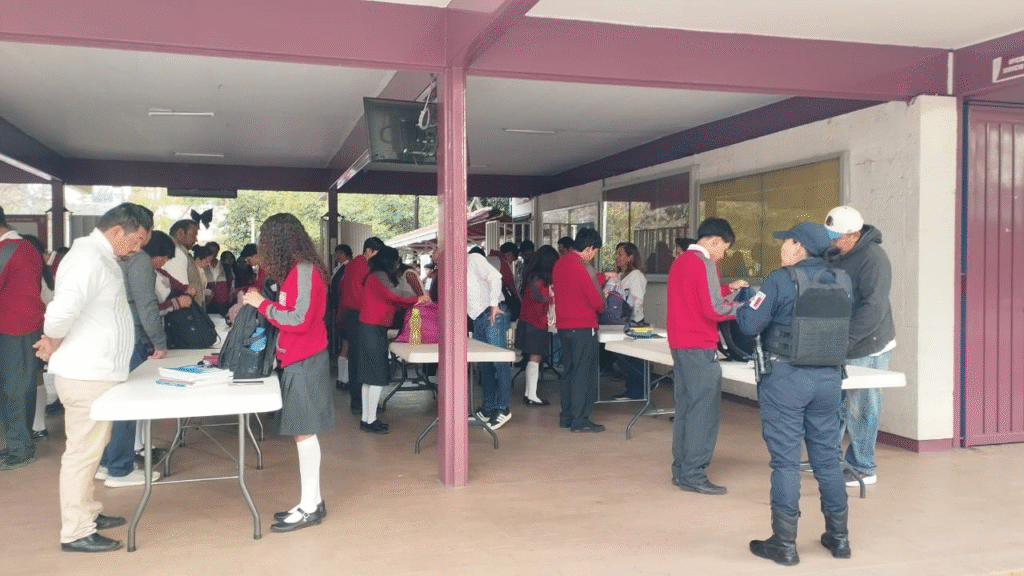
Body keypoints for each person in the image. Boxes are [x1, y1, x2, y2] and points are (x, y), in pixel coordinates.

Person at [34, 202, 153, 553]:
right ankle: (76, 531)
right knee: (82, 454)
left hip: (96, 373)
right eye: (137, 240)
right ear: (117, 231)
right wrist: (52, 339)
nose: (138, 249)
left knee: (91, 450)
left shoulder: (102, 257)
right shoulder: (87, 258)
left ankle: (87, 512)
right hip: (86, 375)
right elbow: (61, 310)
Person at [736, 222, 852, 565]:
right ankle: (839, 539)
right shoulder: (843, 280)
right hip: (829, 379)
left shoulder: (779, 280)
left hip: (786, 379)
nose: (781, 248)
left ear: (798, 245)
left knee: (786, 462)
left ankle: (784, 545)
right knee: (827, 459)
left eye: (784, 241)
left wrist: (745, 305)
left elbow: (749, 325)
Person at [240, 213, 334, 533]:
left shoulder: (303, 271)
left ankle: (309, 508)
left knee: (304, 433)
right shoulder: (296, 270)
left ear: (277, 241)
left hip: (305, 359)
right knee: (302, 432)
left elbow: (299, 319)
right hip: (297, 358)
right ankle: (312, 501)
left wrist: (261, 304)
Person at [666, 218, 747, 495]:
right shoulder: (705, 263)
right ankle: (694, 474)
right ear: (715, 241)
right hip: (700, 345)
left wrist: (727, 291)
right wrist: (746, 308)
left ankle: (681, 470)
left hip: (680, 345)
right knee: (704, 412)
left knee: (686, 408)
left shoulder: (681, 261)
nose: (722, 255)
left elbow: (695, 296)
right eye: (724, 249)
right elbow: (713, 309)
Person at [95, 231, 177, 488]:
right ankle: (120, 469)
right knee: (126, 406)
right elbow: (146, 304)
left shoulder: (105, 254)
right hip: (130, 337)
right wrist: (159, 342)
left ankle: (106, 462)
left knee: (112, 403)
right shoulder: (139, 259)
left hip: (108, 336)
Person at [824, 205, 895, 487]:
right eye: (829, 236)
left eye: (836, 237)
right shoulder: (836, 254)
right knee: (836, 404)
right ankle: (829, 460)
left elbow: (873, 308)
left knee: (862, 406)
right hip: (841, 341)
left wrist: (848, 341)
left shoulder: (873, 259)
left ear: (854, 235)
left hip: (868, 343)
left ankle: (863, 466)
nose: (831, 241)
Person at [356, 246, 427, 433]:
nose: (397, 265)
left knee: (369, 378)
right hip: (373, 329)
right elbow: (393, 294)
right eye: (396, 260)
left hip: (368, 327)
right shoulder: (380, 276)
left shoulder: (373, 275)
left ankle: (366, 418)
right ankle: (371, 420)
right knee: (377, 376)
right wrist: (416, 299)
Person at [0, 206, 46, 471]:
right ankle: (16, 445)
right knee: (13, 390)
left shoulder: (10, 249)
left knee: (15, 390)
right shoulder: (22, 247)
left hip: (16, 328)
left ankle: (21, 450)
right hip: (16, 326)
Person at [551, 228, 607, 433]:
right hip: (583, 326)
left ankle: (566, 416)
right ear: (589, 248)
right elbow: (596, 300)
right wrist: (605, 299)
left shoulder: (560, 263)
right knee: (584, 374)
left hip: (564, 326)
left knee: (569, 372)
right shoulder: (582, 266)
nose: (593, 256)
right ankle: (580, 420)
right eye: (595, 251)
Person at [468, 245, 514, 429]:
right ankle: (487, 409)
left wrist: (494, 304)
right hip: (478, 318)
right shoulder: (452, 271)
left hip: (492, 314)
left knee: (499, 362)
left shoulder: (473, 259)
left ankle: (502, 408)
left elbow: (495, 276)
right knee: (484, 364)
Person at [339, 237, 385, 412]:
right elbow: (364, 293)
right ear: (368, 251)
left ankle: (359, 401)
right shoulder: (363, 266)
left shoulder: (352, 265)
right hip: (359, 316)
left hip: (351, 315)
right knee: (360, 359)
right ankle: (360, 402)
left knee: (355, 357)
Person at [515, 245, 559, 406]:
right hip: (536, 322)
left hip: (528, 320)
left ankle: (529, 393)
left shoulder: (531, 276)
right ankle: (532, 395)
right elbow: (541, 297)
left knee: (532, 358)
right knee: (535, 357)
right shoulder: (540, 279)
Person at [610, 242, 647, 400]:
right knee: (624, 357)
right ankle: (634, 389)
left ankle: (638, 390)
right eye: (617, 254)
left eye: (621, 254)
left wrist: (631, 320)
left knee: (633, 358)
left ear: (630, 257)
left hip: (635, 322)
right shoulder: (619, 276)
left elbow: (637, 300)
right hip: (620, 321)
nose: (617, 257)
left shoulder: (636, 275)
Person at [165, 219, 205, 308]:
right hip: (185, 309)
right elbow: (180, 289)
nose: (196, 239)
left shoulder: (180, 252)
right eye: (194, 235)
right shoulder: (175, 253)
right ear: (180, 233)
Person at [329, 244, 352, 388]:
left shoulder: (348, 268)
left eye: (339, 253)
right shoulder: (338, 268)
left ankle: (344, 378)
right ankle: (343, 378)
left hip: (344, 309)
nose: (337, 256)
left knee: (345, 344)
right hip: (339, 308)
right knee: (345, 343)